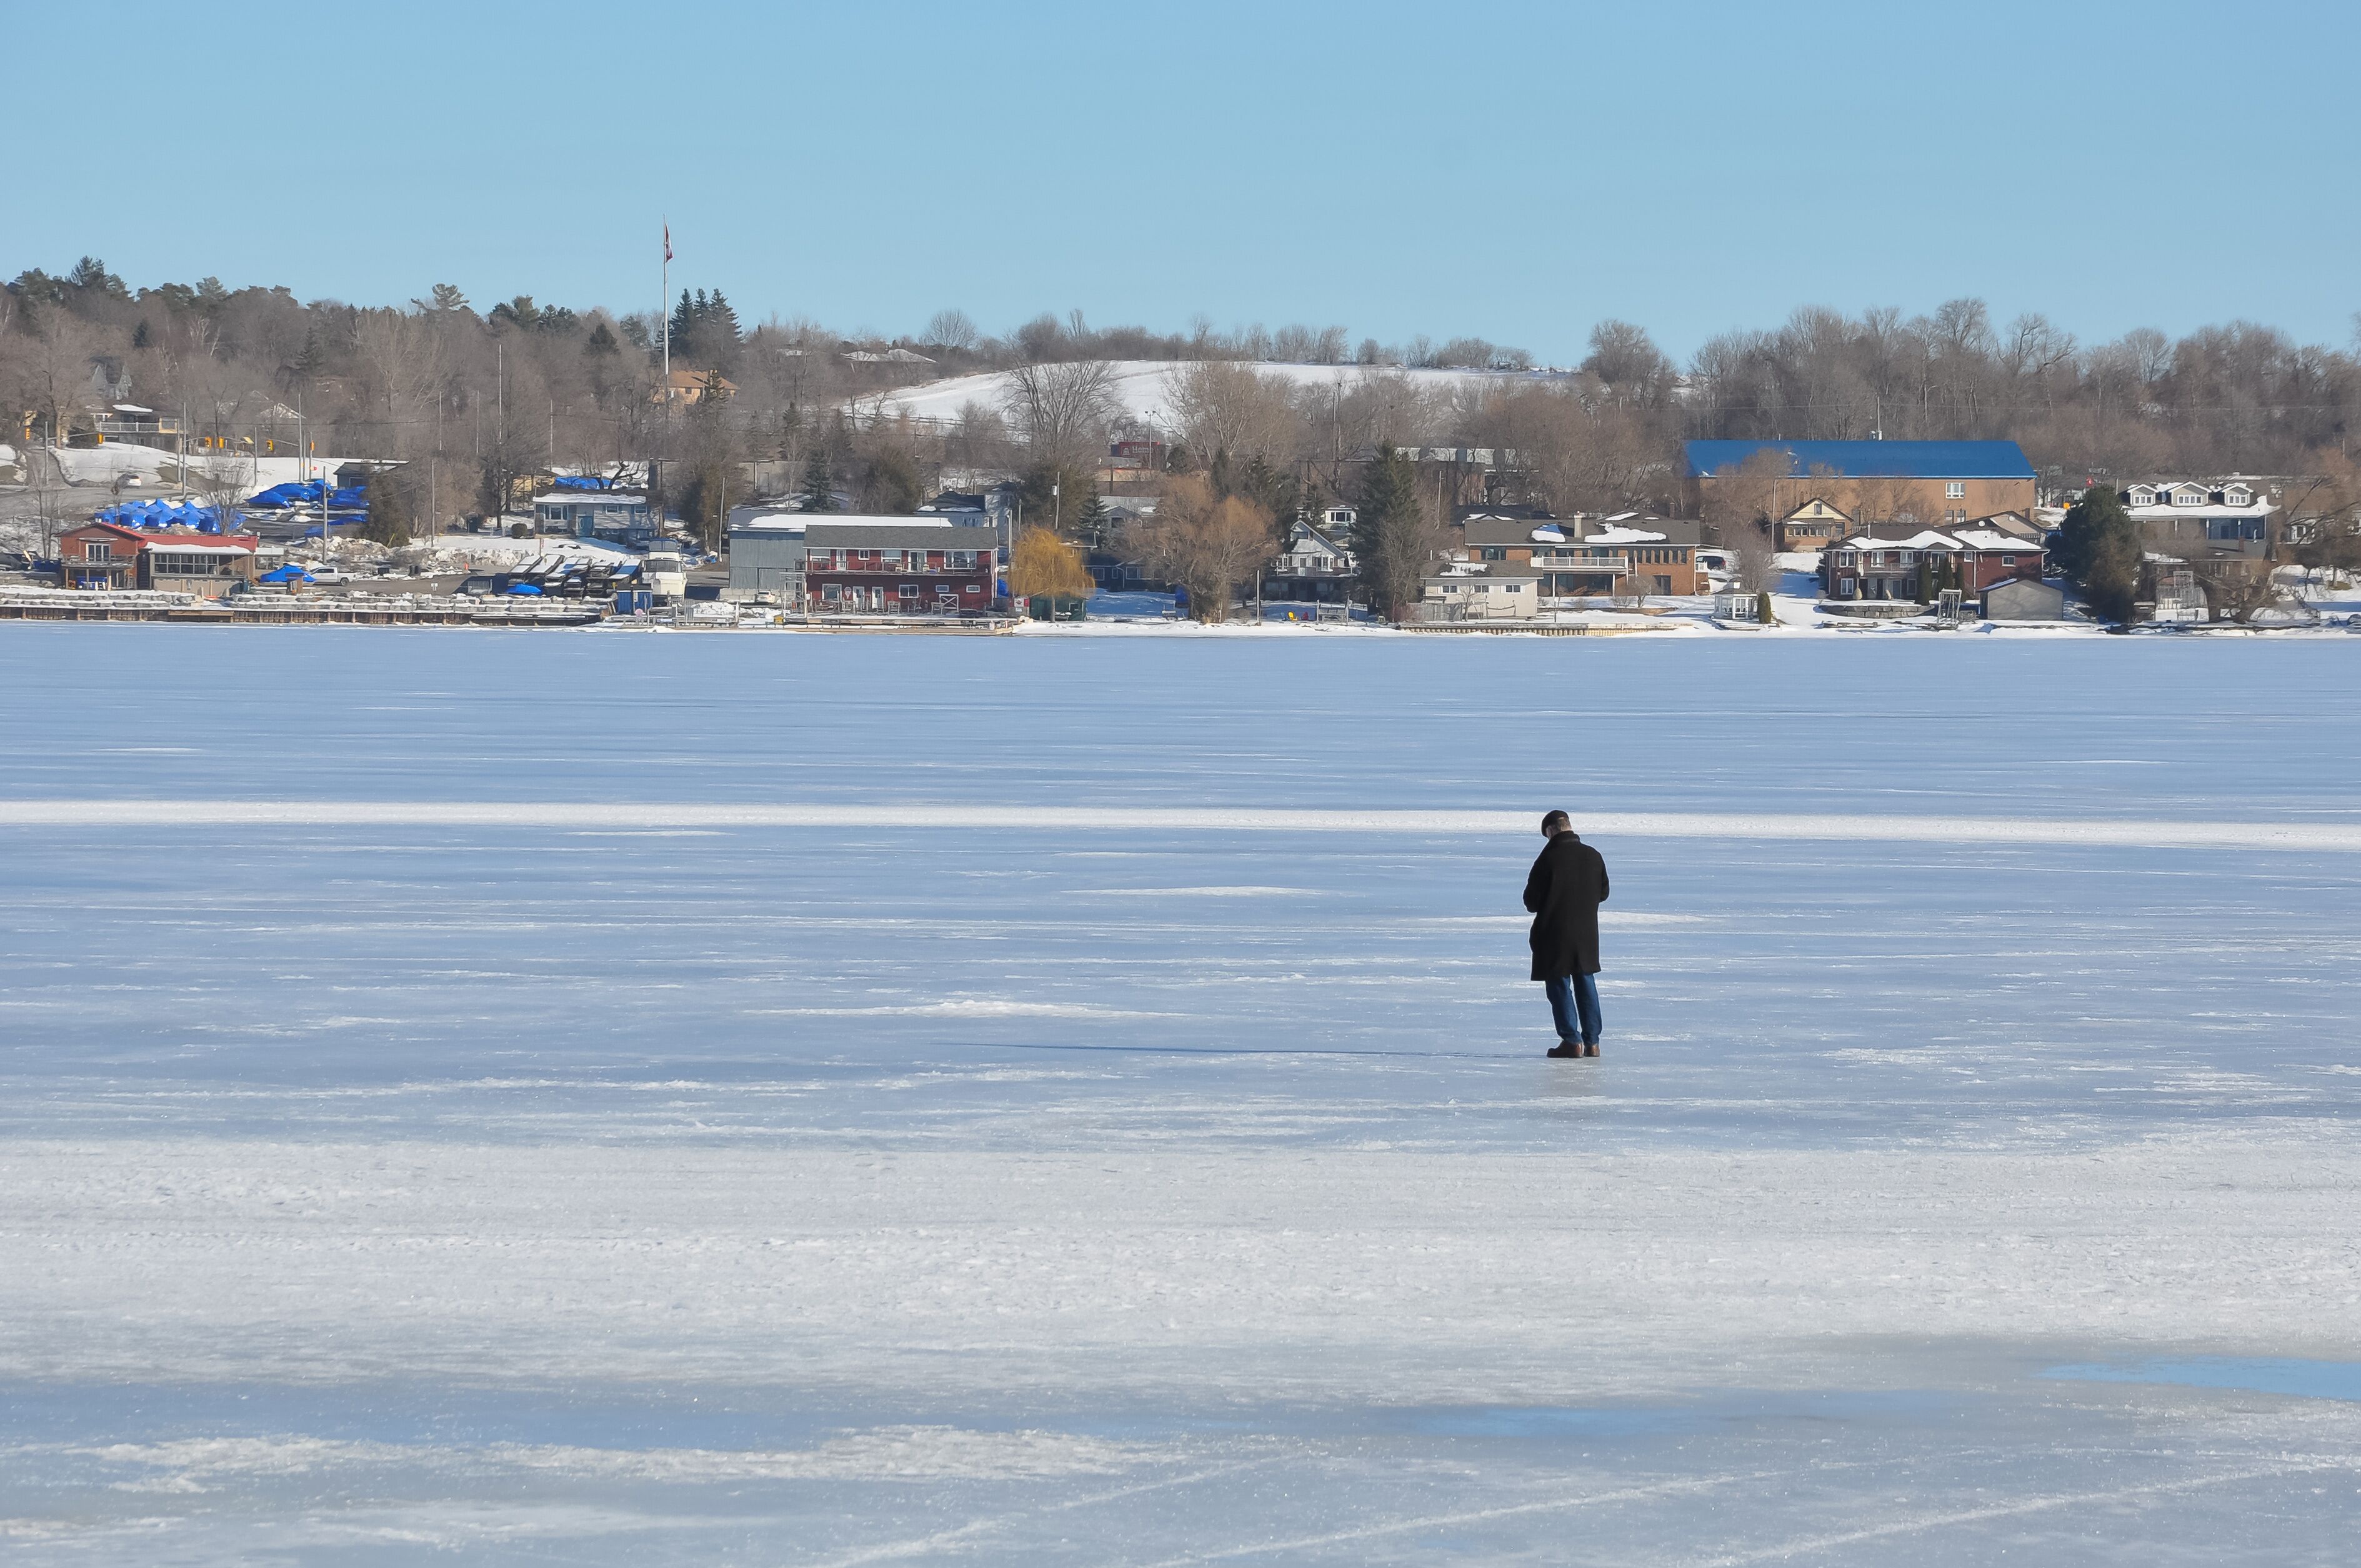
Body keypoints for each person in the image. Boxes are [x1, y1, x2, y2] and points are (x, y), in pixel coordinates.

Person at [1523, 809, 1609, 1058]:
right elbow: (1603, 893)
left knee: (1559, 985)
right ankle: (1592, 1043)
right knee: (1586, 982)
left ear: (1551, 831)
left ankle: (1572, 1041)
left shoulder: (1547, 859)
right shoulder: (1594, 856)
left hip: (1554, 934)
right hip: (1586, 934)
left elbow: (1531, 901)